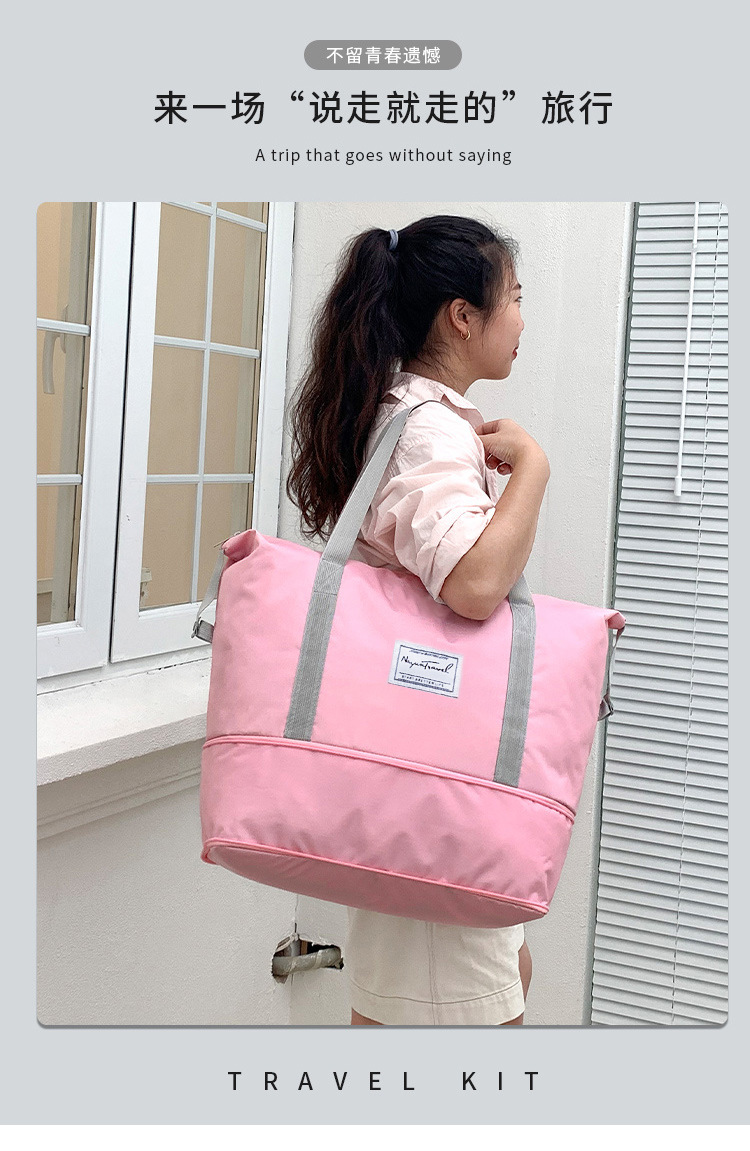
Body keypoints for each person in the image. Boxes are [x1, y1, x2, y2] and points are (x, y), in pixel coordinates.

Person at [287, 214, 549, 1026]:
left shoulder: (413, 415)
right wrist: (534, 472)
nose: (522, 317)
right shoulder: (430, 430)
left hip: (422, 775)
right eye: (514, 296)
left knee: (444, 997)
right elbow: (474, 583)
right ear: (462, 316)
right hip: (437, 789)